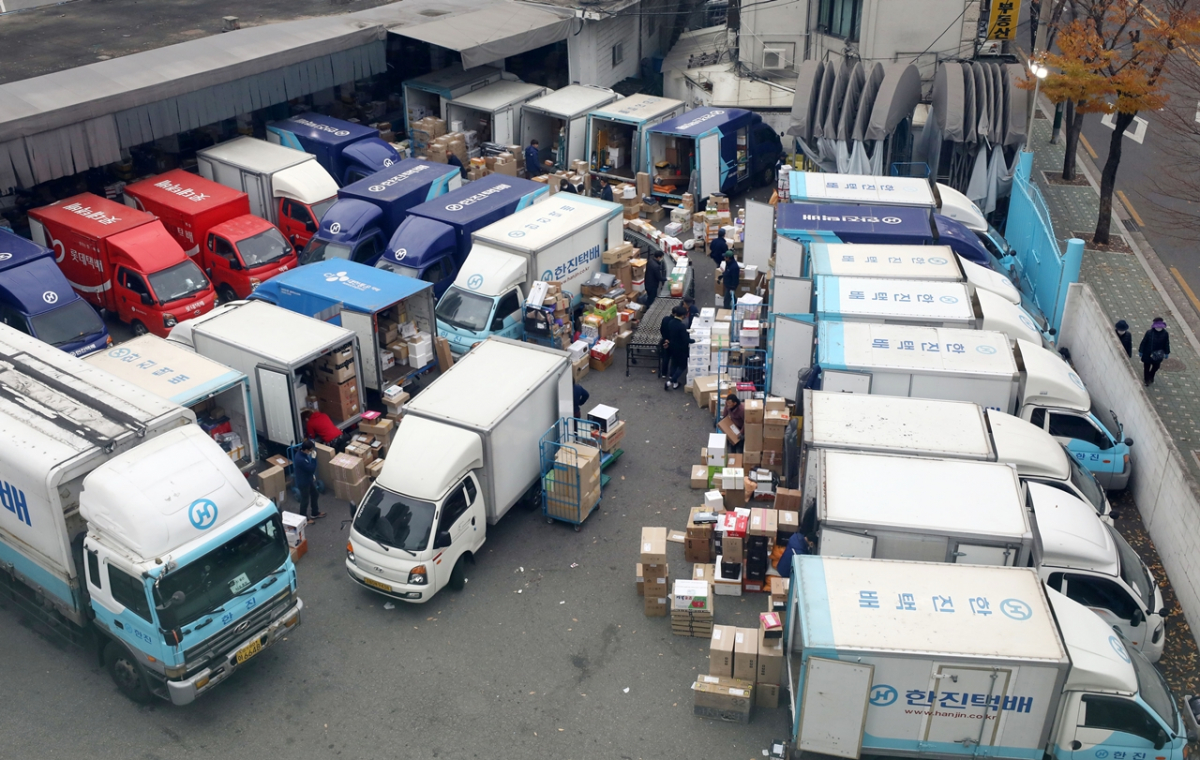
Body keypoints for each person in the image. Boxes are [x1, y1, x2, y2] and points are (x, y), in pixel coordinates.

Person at [293, 439, 326, 524]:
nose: (311, 452)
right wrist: (314, 459)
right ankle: (303, 518)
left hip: (307, 479)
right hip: (303, 482)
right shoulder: (301, 459)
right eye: (311, 450)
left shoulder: (302, 454)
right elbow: (311, 469)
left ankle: (314, 513)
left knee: (315, 494)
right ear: (306, 450)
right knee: (305, 500)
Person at [662, 304, 694, 390]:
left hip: (673, 346)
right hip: (681, 349)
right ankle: (671, 382)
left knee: (674, 364)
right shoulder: (681, 326)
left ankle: (674, 382)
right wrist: (695, 341)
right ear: (683, 315)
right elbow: (685, 339)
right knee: (682, 366)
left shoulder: (671, 322)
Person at [1138, 317, 1171, 386]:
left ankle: (1151, 375)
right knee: (1146, 367)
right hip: (1148, 353)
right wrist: (1141, 350)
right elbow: (1144, 342)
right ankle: (1147, 380)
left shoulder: (1165, 334)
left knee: (1156, 367)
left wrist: (1167, 352)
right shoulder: (1149, 333)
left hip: (1158, 354)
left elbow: (1166, 343)